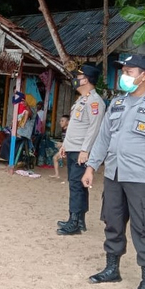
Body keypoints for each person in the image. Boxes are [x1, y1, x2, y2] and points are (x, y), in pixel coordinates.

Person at [82, 55, 145, 289]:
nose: (124, 75)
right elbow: (104, 138)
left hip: (143, 179)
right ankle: (112, 269)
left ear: (143, 75)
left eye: (129, 71)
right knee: (112, 223)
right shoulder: (117, 103)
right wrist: (91, 167)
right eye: (123, 70)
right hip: (114, 175)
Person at [56, 64, 105, 236]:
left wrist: (85, 150)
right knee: (77, 185)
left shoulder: (94, 102)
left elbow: (94, 128)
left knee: (77, 186)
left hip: (80, 151)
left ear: (86, 80)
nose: (76, 79)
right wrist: (65, 145)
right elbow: (75, 127)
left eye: (79, 76)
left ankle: (74, 223)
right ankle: (79, 220)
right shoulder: (82, 99)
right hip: (73, 148)